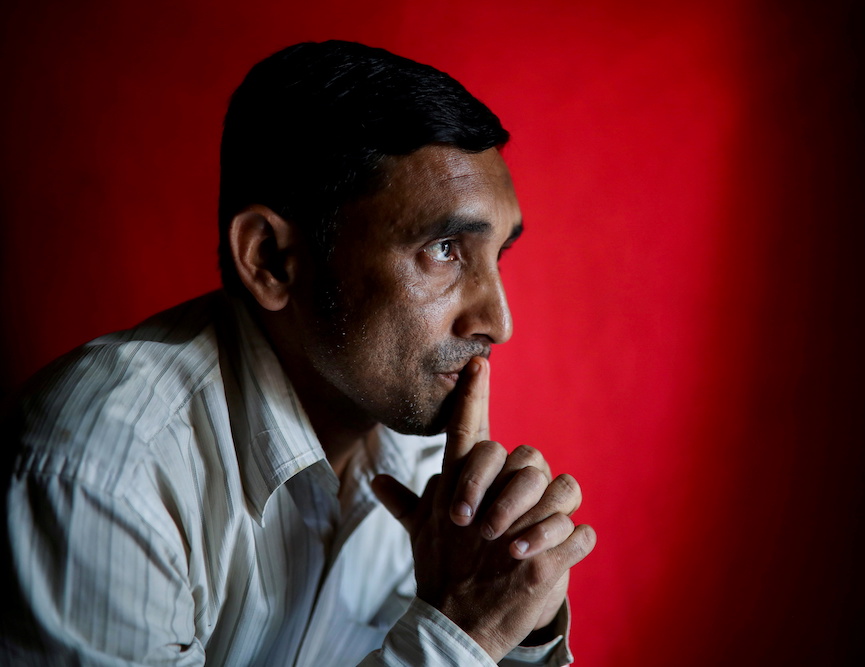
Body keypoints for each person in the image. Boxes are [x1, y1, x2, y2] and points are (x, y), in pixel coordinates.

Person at [0, 41, 596, 666]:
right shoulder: (103, 473)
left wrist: (518, 617)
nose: (498, 322)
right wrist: (458, 636)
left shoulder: (431, 454)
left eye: (497, 255)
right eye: (444, 248)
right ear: (270, 260)